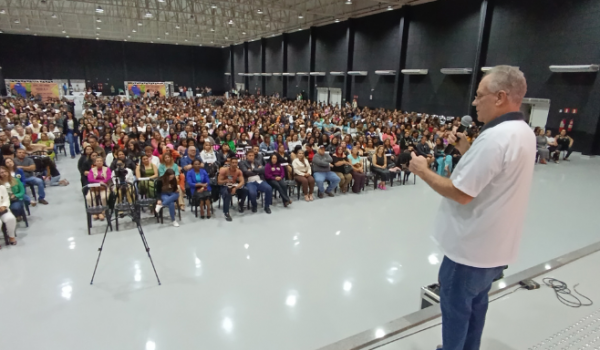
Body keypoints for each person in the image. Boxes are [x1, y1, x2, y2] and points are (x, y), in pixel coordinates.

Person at [408, 65, 534, 350]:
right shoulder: (521, 131)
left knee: (455, 311)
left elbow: (461, 193)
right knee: (477, 306)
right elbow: (493, 174)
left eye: (479, 96)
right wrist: (467, 148)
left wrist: (422, 170)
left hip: (470, 250)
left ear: (500, 97)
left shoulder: (494, 138)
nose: (474, 102)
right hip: (495, 248)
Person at [217, 157, 246, 222]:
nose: (234, 164)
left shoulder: (239, 171)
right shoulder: (224, 170)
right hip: (224, 186)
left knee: (245, 190)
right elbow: (219, 182)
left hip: (233, 185)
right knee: (227, 194)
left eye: (236, 163)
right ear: (230, 163)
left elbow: (242, 181)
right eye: (233, 162)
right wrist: (226, 180)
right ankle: (226, 212)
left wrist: (235, 188)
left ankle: (241, 204)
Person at [87, 156, 112, 220]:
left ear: (103, 162)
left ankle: (102, 212)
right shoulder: (92, 170)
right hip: (94, 187)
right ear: (95, 163)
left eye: (100, 161)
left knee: (103, 197)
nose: (99, 162)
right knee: (89, 197)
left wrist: (103, 182)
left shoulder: (107, 169)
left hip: (104, 187)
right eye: (97, 161)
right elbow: (90, 179)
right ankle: (95, 211)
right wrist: (99, 182)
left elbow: (108, 178)